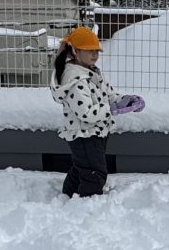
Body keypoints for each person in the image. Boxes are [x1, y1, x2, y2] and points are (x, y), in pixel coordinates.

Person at [51, 26, 141, 197]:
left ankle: (68, 196)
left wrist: (124, 100)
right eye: (89, 51)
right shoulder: (75, 80)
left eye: (96, 51)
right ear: (75, 51)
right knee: (95, 173)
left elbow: (109, 94)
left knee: (83, 168)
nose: (94, 55)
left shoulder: (92, 72)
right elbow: (86, 114)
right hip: (84, 134)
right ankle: (88, 202)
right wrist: (111, 109)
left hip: (96, 132)